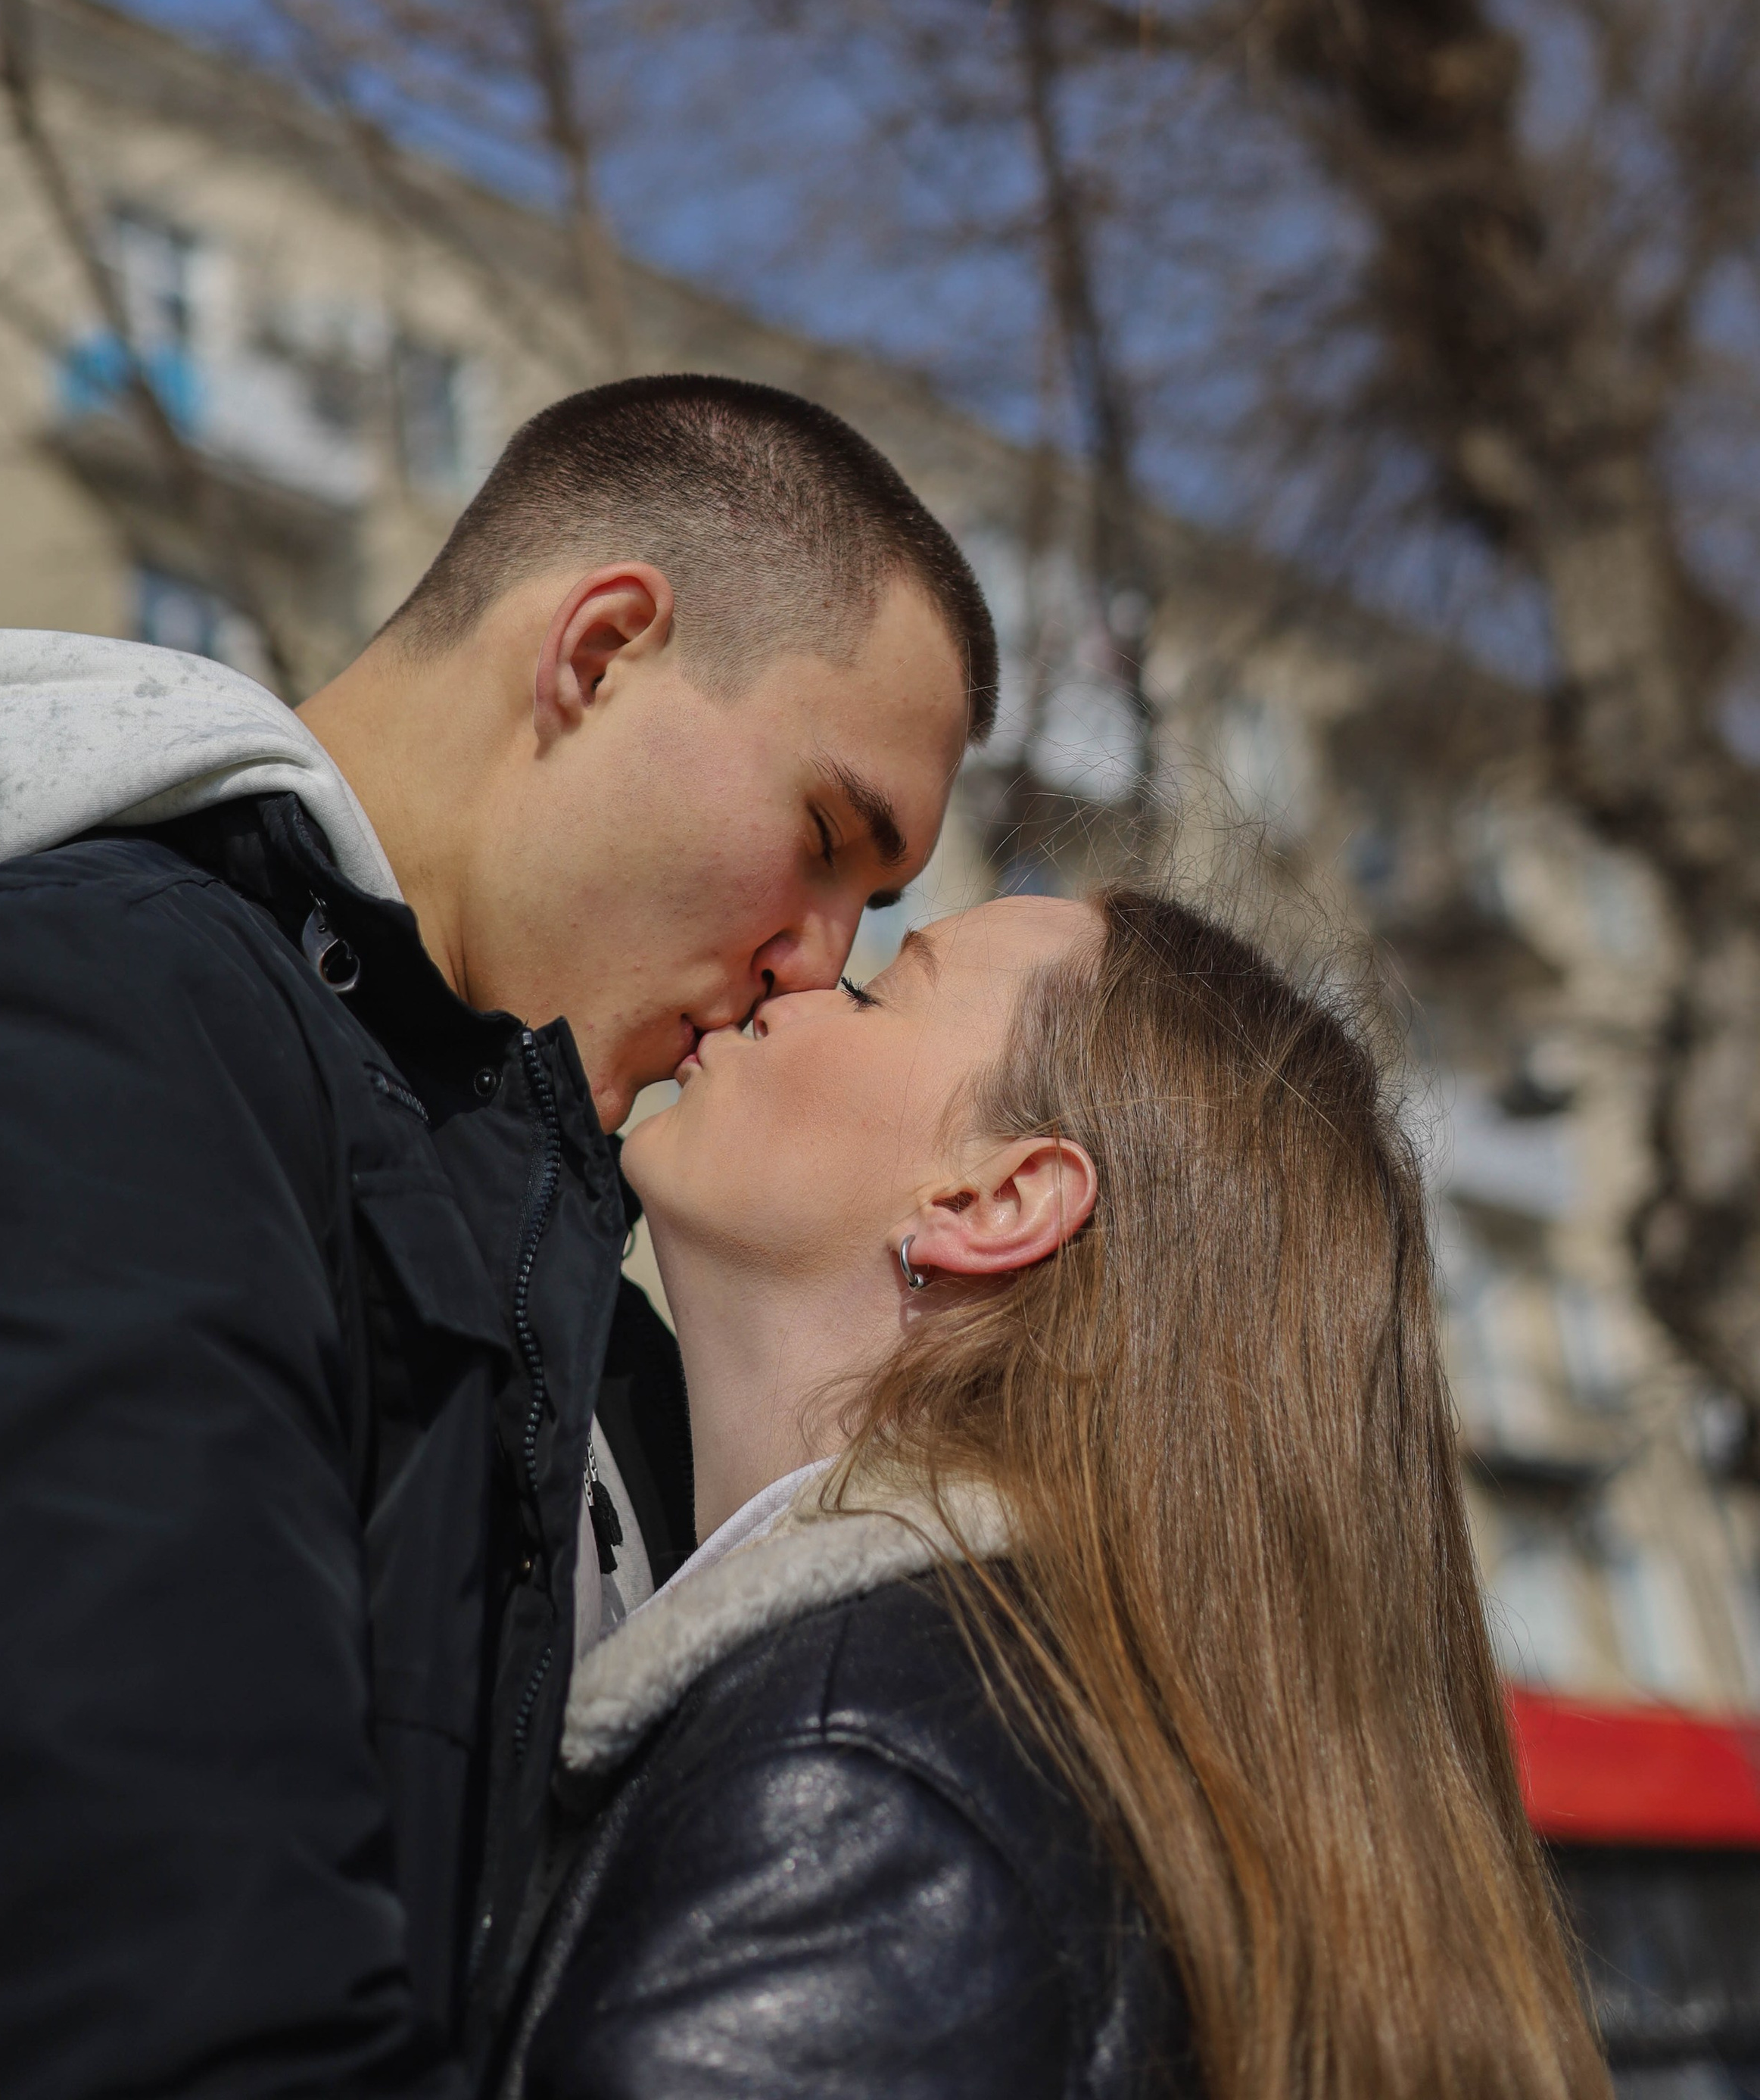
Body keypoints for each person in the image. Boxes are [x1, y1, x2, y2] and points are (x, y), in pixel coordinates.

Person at [0, 372, 995, 2100]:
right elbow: (129, 1993)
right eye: (825, 840)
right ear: (596, 653)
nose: (816, 962)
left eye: (871, 914)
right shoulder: (90, 1018)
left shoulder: (561, 1268)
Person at [496, 890, 1609, 2100]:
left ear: (996, 1203)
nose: (794, 980)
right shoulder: (1015, 1739)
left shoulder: (868, 1769)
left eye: (876, 988)